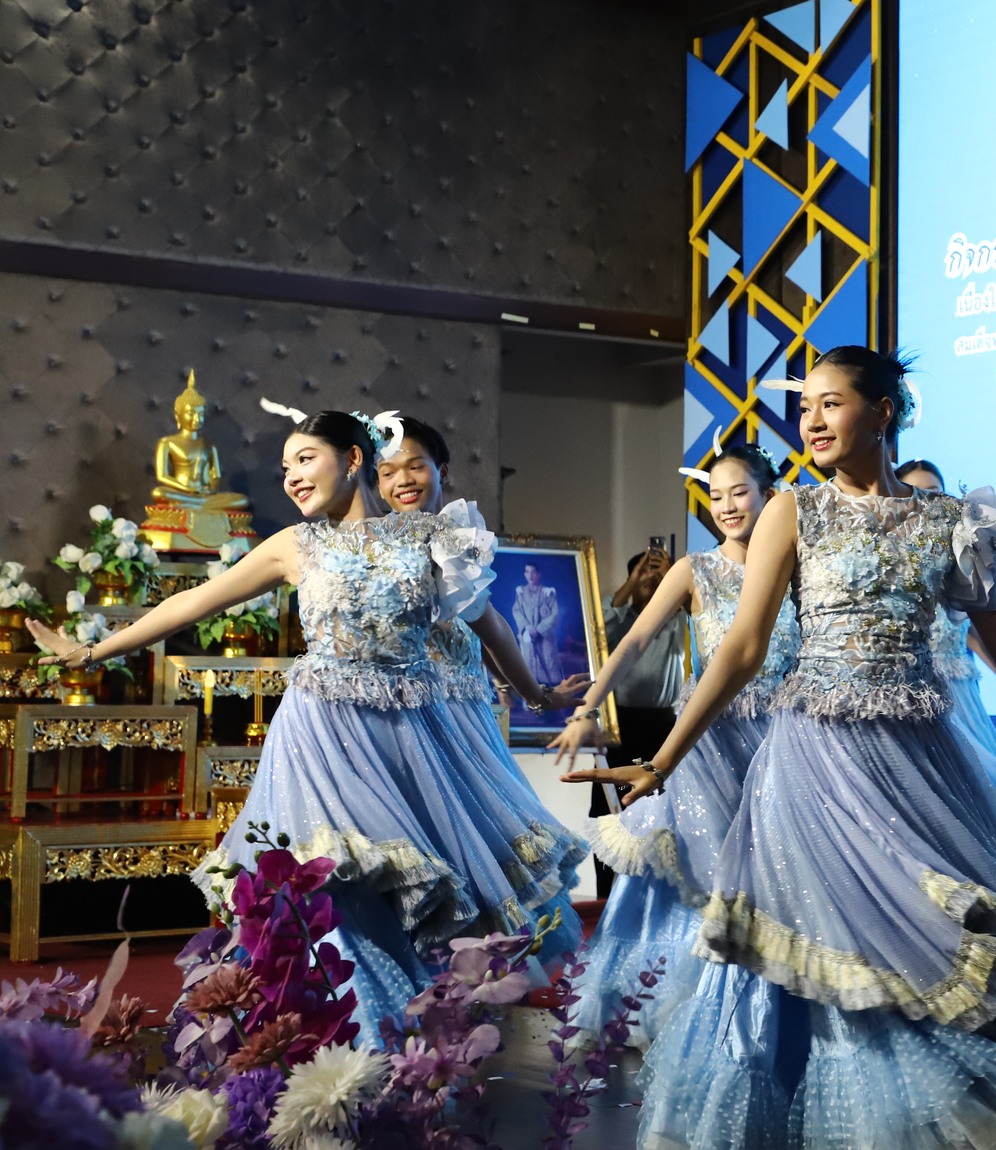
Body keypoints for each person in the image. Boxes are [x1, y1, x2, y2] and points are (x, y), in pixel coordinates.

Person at [562, 346, 996, 1148]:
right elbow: (743, 648)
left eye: (830, 403)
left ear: (883, 411)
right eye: (805, 406)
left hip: (919, 760)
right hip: (812, 759)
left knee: (928, 935)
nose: (811, 420)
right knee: (817, 942)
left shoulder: (950, 522)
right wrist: (664, 758)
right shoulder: (794, 512)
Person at [33, 409, 588, 1035]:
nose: (292, 477)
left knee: (404, 883)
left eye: (305, 460)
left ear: (352, 459)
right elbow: (192, 602)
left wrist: (538, 693)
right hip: (319, 732)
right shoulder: (295, 545)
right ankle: (353, 1033)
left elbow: (490, 626)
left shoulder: (432, 538)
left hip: (409, 735)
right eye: (285, 468)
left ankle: (414, 1035)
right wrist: (93, 652)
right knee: (330, 875)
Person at [547, 440, 800, 1044]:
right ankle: (687, 1006)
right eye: (715, 496)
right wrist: (586, 709)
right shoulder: (696, 570)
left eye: (740, 493)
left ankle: (769, 1007)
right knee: (703, 867)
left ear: (769, 495)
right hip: (708, 740)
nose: (727, 506)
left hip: (783, 735)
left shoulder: (800, 569)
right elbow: (633, 641)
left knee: (776, 871)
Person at [896, 457, 996, 887]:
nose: (924, 501)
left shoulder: (957, 558)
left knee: (990, 796)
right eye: (915, 492)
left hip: (963, 698)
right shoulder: (893, 563)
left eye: (934, 493)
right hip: (920, 701)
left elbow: (980, 636)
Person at [374, 416, 590, 715]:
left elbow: (484, 624)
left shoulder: (454, 541)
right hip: (398, 708)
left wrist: (530, 693)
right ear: (378, 485)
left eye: (415, 467)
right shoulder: (369, 546)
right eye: (388, 472)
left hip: (458, 709)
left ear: (442, 472)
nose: (403, 480)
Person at [593, 546, 689, 896]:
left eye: (658, 578)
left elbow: (692, 611)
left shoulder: (675, 621)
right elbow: (598, 627)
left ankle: (656, 896)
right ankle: (606, 897)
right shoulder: (617, 621)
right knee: (610, 814)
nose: (652, 584)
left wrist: (672, 578)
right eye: (644, 578)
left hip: (662, 727)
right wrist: (633, 582)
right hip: (620, 728)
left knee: (661, 812)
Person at [514, 562, 564, 684]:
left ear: (539, 574)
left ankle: (551, 690)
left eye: (533, 572)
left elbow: (555, 614)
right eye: (527, 572)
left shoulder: (548, 593)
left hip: (545, 639)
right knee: (528, 671)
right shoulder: (521, 593)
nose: (530, 575)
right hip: (528, 638)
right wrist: (527, 627)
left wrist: (539, 630)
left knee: (548, 667)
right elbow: (517, 611)